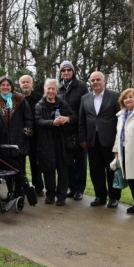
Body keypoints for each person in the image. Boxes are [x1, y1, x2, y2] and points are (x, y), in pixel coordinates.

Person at [0, 76, 33, 195]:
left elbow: (28, 117)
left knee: (20, 170)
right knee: (7, 170)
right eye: (3, 85)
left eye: (8, 85)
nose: (5, 87)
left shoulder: (20, 99)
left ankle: (20, 193)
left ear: (11, 86)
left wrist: (26, 131)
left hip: (19, 141)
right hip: (2, 141)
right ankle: (11, 192)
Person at [78, 71, 120, 208]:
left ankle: (114, 197)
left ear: (104, 80)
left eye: (98, 79)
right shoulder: (85, 98)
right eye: (92, 80)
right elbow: (81, 120)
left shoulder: (114, 96)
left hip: (110, 140)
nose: (95, 82)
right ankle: (100, 196)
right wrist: (82, 138)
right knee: (96, 170)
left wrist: (119, 140)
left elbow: (120, 119)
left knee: (112, 169)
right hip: (92, 140)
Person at [35, 78, 75, 206]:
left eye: (53, 88)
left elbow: (74, 116)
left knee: (63, 170)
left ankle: (62, 196)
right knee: (49, 170)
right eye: (49, 88)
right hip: (46, 143)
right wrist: (53, 122)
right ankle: (50, 195)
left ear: (57, 90)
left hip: (62, 143)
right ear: (44, 90)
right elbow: (39, 121)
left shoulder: (63, 103)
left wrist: (67, 119)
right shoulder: (39, 105)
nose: (51, 91)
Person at [58, 60, 89, 200]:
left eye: (68, 70)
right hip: (63, 131)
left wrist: (83, 132)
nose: (66, 73)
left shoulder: (81, 86)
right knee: (68, 162)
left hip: (78, 130)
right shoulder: (58, 87)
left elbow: (85, 109)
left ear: (73, 71)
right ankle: (72, 187)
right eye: (63, 71)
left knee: (80, 162)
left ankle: (79, 190)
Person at [19, 74, 45, 196]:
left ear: (32, 84)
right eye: (23, 82)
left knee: (35, 163)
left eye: (27, 82)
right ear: (20, 85)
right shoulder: (16, 99)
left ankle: (39, 187)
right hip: (20, 136)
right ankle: (23, 186)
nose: (25, 84)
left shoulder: (40, 98)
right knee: (21, 163)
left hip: (36, 136)